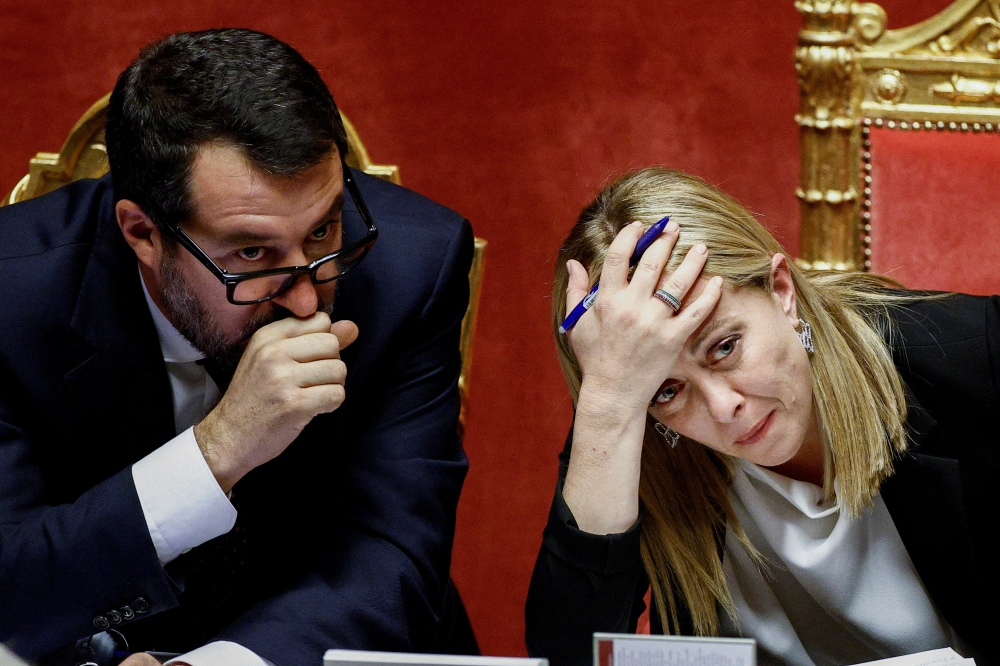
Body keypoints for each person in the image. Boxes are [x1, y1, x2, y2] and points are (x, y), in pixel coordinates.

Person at [0, 29, 475, 666]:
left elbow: (391, 560)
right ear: (143, 233)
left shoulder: (410, 269)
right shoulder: (12, 294)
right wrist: (217, 450)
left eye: (323, 230)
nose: (307, 301)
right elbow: (13, 582)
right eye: (251, 254)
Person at [525, 167, 997, 666]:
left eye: (725, 348)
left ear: (781, 289)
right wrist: (607, 408)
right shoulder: (624, 424)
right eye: (668, 390)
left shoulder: (973, 359)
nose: (723, 407)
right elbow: (568, 657)